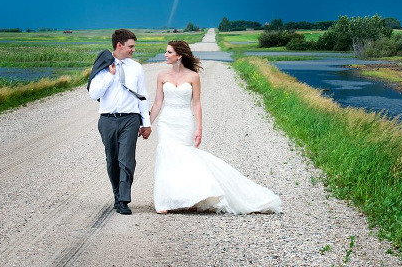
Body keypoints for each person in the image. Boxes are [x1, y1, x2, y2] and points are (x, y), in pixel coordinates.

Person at [149, 40, 282, 214]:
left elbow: (196, 103)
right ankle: (165, 201)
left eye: (169, 52)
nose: (165, 55)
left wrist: (199, 127)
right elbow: (158, 102)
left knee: (186, 158)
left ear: (179, 56)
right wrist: (147, 123)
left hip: (184, 121)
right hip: (167, 122)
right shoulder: (162, 75)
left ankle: (191, 197)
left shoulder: (193, 77)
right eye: (166, 52)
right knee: (166, 155)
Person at [88, 29, 151, 215]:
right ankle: (117, 195)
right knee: (112, 160)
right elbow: (94, 94)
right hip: (107, 119)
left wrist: (145, 123)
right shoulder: (103, 66)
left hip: (130, 120)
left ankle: (124, 200)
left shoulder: (137, 67)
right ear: (119, 45)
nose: (133, 50)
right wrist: (110, 76)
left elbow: (143, 96)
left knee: (127, 160)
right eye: (131, 46)